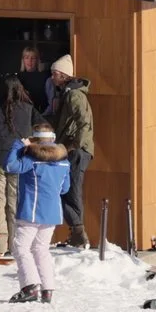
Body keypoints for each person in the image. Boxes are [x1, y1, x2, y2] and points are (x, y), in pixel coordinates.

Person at [4, 125, 72, 302]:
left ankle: (31, 286)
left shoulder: (31, 160)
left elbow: (10, 166)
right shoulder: (64, 162)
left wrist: (18, 145)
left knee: (20, 247)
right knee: (41, 249)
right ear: (53, 139)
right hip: (52, 212)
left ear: (34, 140)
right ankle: (47, 289)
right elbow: (65, 189)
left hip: (31, 210)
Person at [0, 73, 37, 252]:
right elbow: (40, 128)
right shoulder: (28, 109)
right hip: (19, 160)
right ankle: (16, 247)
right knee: (15, 202)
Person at [47, 54, 94, 248]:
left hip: (77, 151)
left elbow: (84, 123)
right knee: (67, 190)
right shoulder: (67, 93)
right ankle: (76, 232)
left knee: (70, 190)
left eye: (55, 74)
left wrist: (74, 145)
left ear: (63, 75)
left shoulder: (74, 95)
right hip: (73, 149)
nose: (52, 77)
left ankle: (79, 233)